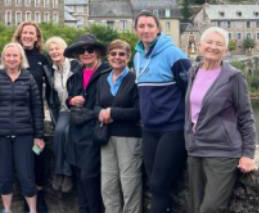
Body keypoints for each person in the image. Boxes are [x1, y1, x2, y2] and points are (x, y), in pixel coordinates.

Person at [185, 27, 256, 213]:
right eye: (209, 42)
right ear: (200, 46)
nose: (213, 47)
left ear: (225, 50)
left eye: (219, 44)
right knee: (194, 206)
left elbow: (246, 116)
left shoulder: (233, 77)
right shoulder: (193, 72)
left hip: (222, 151)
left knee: (211, 208)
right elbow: (192, 112)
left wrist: (248, 153)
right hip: (195, 149)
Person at [133, 11, 191, 213]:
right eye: (142, 26)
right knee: (154, 182)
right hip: (149, 129)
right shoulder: (138, 56)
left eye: (150, 25)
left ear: (158, 29)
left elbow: (190, 91)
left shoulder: (174, 55)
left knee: (159, 184)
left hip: (172, 129)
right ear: (136, 30)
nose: (146, 30)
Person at [0, 42, 45, 213]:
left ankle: (32, 210)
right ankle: (7, 209)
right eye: (8, 55)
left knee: (27, 176)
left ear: (20, 58)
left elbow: (36, 107)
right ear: (3, 58)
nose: (11, 59)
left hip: (24, 134)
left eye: (15, 56)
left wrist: (39, 135)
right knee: (4, 177)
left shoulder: (28, 78)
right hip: (1, 135)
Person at [64, 35, 111, 213]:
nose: (86, 53)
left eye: (90, 50)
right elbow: (69, 100)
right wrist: (70, 102)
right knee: (79, 176)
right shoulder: (76, 75)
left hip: (94, 132)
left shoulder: (106, 73)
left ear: (98, 52)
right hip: (76, 133)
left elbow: (107, 103)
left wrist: (87, 113)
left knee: (89, 176)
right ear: (77, 55)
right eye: (81, 51)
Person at [96, 40, 142, 213]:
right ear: (108, 56)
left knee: (129, 183)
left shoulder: (135, 79)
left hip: (128, 137)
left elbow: (139, 111)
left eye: (121, 54)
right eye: (113, 53)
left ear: (128, 57)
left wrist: (112, 112)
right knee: (108, 184)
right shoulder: (102, 79)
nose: (117, 57)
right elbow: (95, 106)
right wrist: (101, 113)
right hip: (107, 136)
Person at [12, 21, 50, 212]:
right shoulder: (13, 56)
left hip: (35, 116)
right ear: (19, 35)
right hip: (16, 118)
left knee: (38, 155)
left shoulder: (42, 59)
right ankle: (27, 200)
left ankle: (39, 197)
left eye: (31, 33)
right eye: (24, 32)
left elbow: (51, 86)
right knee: (21, 160)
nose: (27, 35)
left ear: (36, 37)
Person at [42, 36, 74, 193]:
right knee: (59, 132)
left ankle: (67, 173)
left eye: (57, 49)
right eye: (51, 50)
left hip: (77, 110)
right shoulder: (50, 70)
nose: (54, 52)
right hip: (62, 110)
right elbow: (49, 94)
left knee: (67, 133)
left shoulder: (75, 65)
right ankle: (59, 171)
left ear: (64, 50)